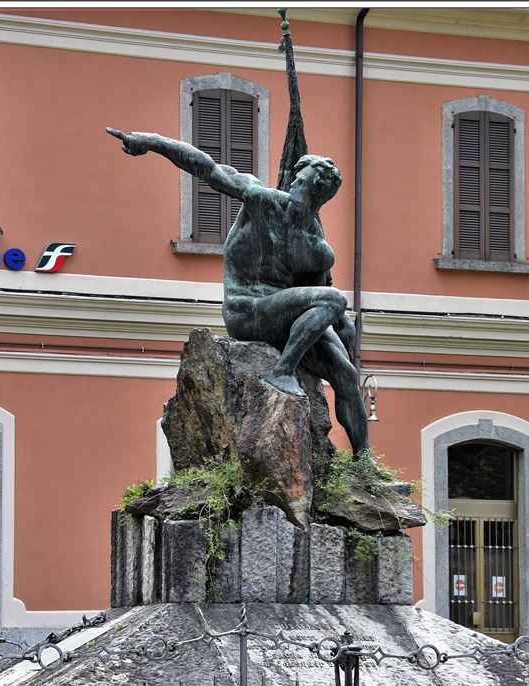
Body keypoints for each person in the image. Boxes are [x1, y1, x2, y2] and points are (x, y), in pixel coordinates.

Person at [106, 127, 369, 456]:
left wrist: (341, 331)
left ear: (317, 194)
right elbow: (207, 167)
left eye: (301, 181)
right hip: (246, 310)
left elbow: (314, 304)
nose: (292, 183)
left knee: (345, 371)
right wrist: (150, 142)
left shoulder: (318, 250)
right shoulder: (262, 201)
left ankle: (365, 464)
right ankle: (282, 371)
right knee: (336, 300)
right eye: (296, 177)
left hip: (281, 317)